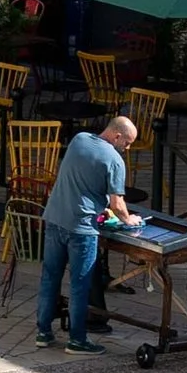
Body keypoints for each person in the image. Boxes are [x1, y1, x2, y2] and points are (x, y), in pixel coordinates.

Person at [36, 113, 136, 351]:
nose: (128, 148)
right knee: (80, 285)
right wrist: (129, 220)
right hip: (81, 229)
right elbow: (117, 204)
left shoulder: (79, 139)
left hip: (55, 218)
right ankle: (77, 339)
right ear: (117, 136)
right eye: (127, 142)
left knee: (50, 278)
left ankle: (43, 332)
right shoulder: (115, 160)